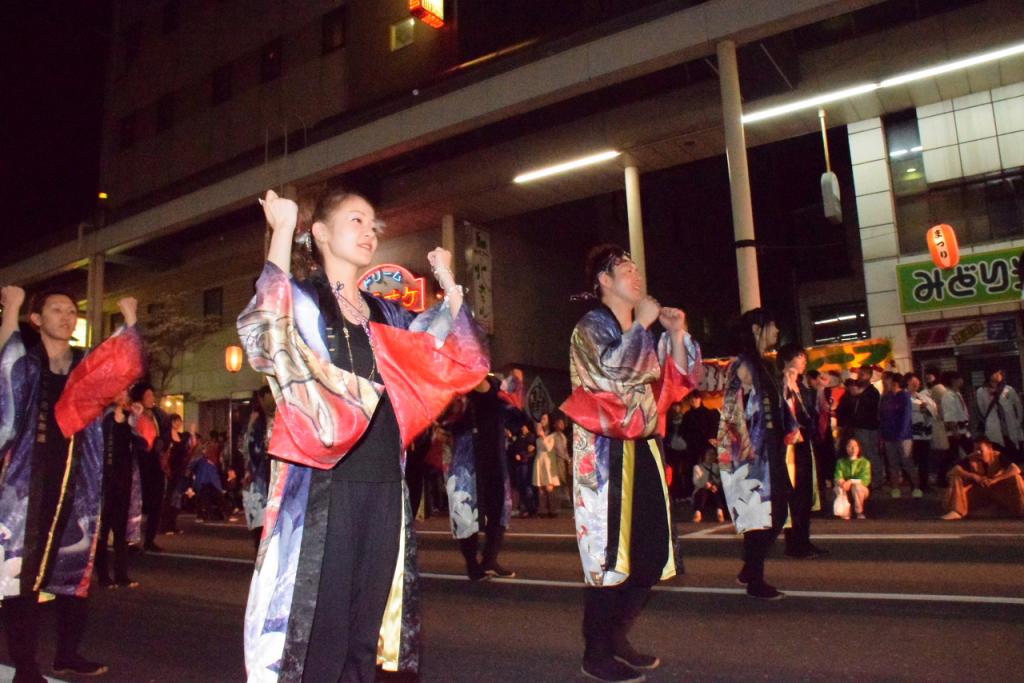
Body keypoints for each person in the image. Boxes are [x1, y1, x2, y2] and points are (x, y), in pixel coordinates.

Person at [237, 188, 487, 681]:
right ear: (322, 234)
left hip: (384, 487)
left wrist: (451, 286)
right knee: (320, 630)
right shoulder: (304, 301)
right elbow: (265, 333)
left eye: (374, 223)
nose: (370, 231)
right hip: (323, 489)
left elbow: (449, 357)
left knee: (364, 631)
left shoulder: (385, 313)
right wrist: (282, 231)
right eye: (356, 220)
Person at [561, 244, 699, 683]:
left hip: (644, 447)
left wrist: (676, 334)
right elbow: (610, 375)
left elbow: (678, 383)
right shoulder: (590, 327)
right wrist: (641, 324)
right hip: (604, 454)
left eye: (637, 267)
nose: (636, 275)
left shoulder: (642, 331)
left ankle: (616, 635)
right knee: (608, 557)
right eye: (625, 268)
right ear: (604, 280)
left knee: (652, 552)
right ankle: (595, 651)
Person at [0, 288, 145, 681]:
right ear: (37, 319)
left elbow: (126, 365)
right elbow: (6, 369)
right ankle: (25, 666)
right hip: (29, 484)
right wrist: (11, 306)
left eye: (72, 311)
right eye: (56, 309)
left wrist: (131, 321)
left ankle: (67, 653)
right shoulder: (28, 365)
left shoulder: (86, 366)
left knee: (75, 570)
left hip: (78, 480)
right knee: (21, 572)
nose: (66, 316)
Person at [718, 307, 794, 600]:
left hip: (772, 447)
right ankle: (755, 579)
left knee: (776, 510)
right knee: (764, 514)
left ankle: (751, 569)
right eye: (772, 326)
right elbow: (732, 408)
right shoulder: (744, 364)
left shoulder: (765, 364)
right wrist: (745, 443)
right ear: (756, 329)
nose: (776, 332)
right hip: (755, 452)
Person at [445, 371, 520, 580]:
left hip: (493, 451)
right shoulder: (461, 382)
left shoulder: (495, 381)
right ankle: (472, 564)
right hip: (470, 452)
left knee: (499, 508)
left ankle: (489, 560)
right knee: (466, 508)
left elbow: (511, 403)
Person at [778, 344, 825, 559]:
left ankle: (804, 541)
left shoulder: (802, 387)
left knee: (805, 494)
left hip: (805, 444)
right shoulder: (780, 385)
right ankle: (794, 544)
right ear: (789, 359)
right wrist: (787, 386)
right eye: (800, 356)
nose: (804, 360)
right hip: (789, 447)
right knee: (794, 497)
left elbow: (811, 416)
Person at [96, 389, 141, 589]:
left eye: (126, 395)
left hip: (123, 479)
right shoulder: (103, 418)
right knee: (102, 530)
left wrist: (134, 420)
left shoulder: (131, 419)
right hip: (104, 480)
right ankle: (103, 575)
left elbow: (142, 444)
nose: (124, 398)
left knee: (120, 530)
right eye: (121, 394)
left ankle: (122, 575)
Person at [941, 438, 1024, 520]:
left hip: (998, 490)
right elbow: (953, 471)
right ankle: (957, 510)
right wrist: (974, 476)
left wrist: (995, 480)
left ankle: (1021, 508)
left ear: (989, 448)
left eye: (980, 450)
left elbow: (1015, 469)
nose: (977, 452)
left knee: (1016, 478)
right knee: (956, 477)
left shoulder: (998, 456)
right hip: (979, 492)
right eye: (975, 449)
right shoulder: (971, 458)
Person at [129, 382, 168, 551]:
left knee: (157, 500)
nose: (151, 399)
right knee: (136, 502)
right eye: (148, 396)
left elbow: (166, 434)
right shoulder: (134, 414)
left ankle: (150, 538)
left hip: (155, 461)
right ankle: (131, 539)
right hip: (139, 460)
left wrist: (163, 443)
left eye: (152, 396)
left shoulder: (158, 415)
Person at [242, 387, 274, 550]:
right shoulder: (256, 421)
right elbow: (247, 449)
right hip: (260, 477)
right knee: (261, 521)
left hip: (273, 475)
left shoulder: (279, 418)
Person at [835, 373, 881, 488]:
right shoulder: (852, 397)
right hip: (857, 427)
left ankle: (873, 479)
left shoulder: (867, 395)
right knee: (862, 453)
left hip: (865, 427)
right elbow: (842, 412)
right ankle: (865, 479)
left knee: (868, 453)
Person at [879, 372, 918, 498]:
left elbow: (906, 417)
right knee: (892, 463)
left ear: (894, 382)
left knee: (907, 462)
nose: (885, 383)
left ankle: (916, 487)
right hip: (889, 435)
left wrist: (901, 434)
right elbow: (882, 417)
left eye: (887, 380)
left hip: (903, 436)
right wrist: (882, 435)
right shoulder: (886, 397)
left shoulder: (904, 396)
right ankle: (895, 487)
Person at [975, 368, 1023, 465]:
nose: (998, 375)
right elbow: (982, 409)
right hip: (994, 425)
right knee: (998, 450)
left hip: (1010, 424)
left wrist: (1018, 421)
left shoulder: (1008, 389)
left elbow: (1018, 406)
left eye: (1000, 373)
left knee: (1014, 449)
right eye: (996, 373)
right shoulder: (981, 391)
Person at [679, 391, 720, 502]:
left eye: (695, 398)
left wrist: (710, 439)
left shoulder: (709, 413)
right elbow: (682, 431)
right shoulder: (687, 415)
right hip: (692, 446)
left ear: (700, 399)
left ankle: (711, 496)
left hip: (705, 447)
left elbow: (713, 428)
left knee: (707, 470)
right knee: (692, 470)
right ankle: (692, 494)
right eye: (691, 399)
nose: (693, 401)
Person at [160, 414, 195, 534]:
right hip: (170, 470)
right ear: (171, 422)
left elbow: (190, 448)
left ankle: (172, 524)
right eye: (176, 421)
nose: (179, 423)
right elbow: (163, 454)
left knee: (177, 498)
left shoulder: (181, 436)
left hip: (180, 470)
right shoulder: (166, 437)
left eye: (180, 421)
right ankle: (165, 526)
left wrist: (192, 433)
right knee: (169, 498)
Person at [806, 369, 838, 491]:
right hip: (814, 429)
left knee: (828, 452)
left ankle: (830, 477)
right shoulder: (809, 392)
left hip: (825, 427)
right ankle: (822, 479)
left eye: (809, 378)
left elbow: (828, 408)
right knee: (818, 454)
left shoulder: (826, 391)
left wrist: (822, 389)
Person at [907, 373, 937, 493]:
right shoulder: (904, 397)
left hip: (924, 433)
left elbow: (934, 410)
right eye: (912, 383)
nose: (915, 385)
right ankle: (914, 484)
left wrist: (926, 409)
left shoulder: (923, 396)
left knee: (924, 460)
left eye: (917, 383)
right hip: (912, 434)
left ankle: (924, 484)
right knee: (913, 460)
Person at [940, 371, 972, 484]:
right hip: (956, 430)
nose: (961, 381)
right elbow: (950, 415)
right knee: (958, 454)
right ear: (953, 380)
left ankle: (945, 476)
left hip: (962, 429)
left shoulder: (957, 394)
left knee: (953, 454)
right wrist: (954, 430)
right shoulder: (948, 396)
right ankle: (943, 477)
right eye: (959, 379)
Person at [833, 438, 872, 520]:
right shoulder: (841, 462)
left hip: (861, 489)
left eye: (855, 446)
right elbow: (838, 475)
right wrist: (842, 483)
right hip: (845, 487)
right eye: (850, 446)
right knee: (839, 488)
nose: (853, 449)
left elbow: (865, 479)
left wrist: (850, 481)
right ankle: (845, 511)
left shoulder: (865, 462)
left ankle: (859, 511)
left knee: (857, 487)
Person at [534, 412, 563, 517]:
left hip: (548, 461)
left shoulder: (553, 435)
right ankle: (543, 510)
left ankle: (553, 510)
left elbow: (548, 448)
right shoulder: (537, 434)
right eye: (541, 419)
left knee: (549, 487)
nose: (542, 421)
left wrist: (542, 436)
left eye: (545, 419)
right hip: (539, 461)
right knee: (540, 487)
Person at [691, 448, 726, 522]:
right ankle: (698, 513)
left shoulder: (717, 467)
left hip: (714, 490)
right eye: (709, 454)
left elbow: (720, 479)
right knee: (703, 491)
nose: (711, 456)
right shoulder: (697, 467)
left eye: (713, 454)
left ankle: (720, 512)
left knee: (716, 491)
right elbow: (696, 482)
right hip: (702, 490)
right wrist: (707, 485)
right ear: (704, 455)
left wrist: (714, 484)